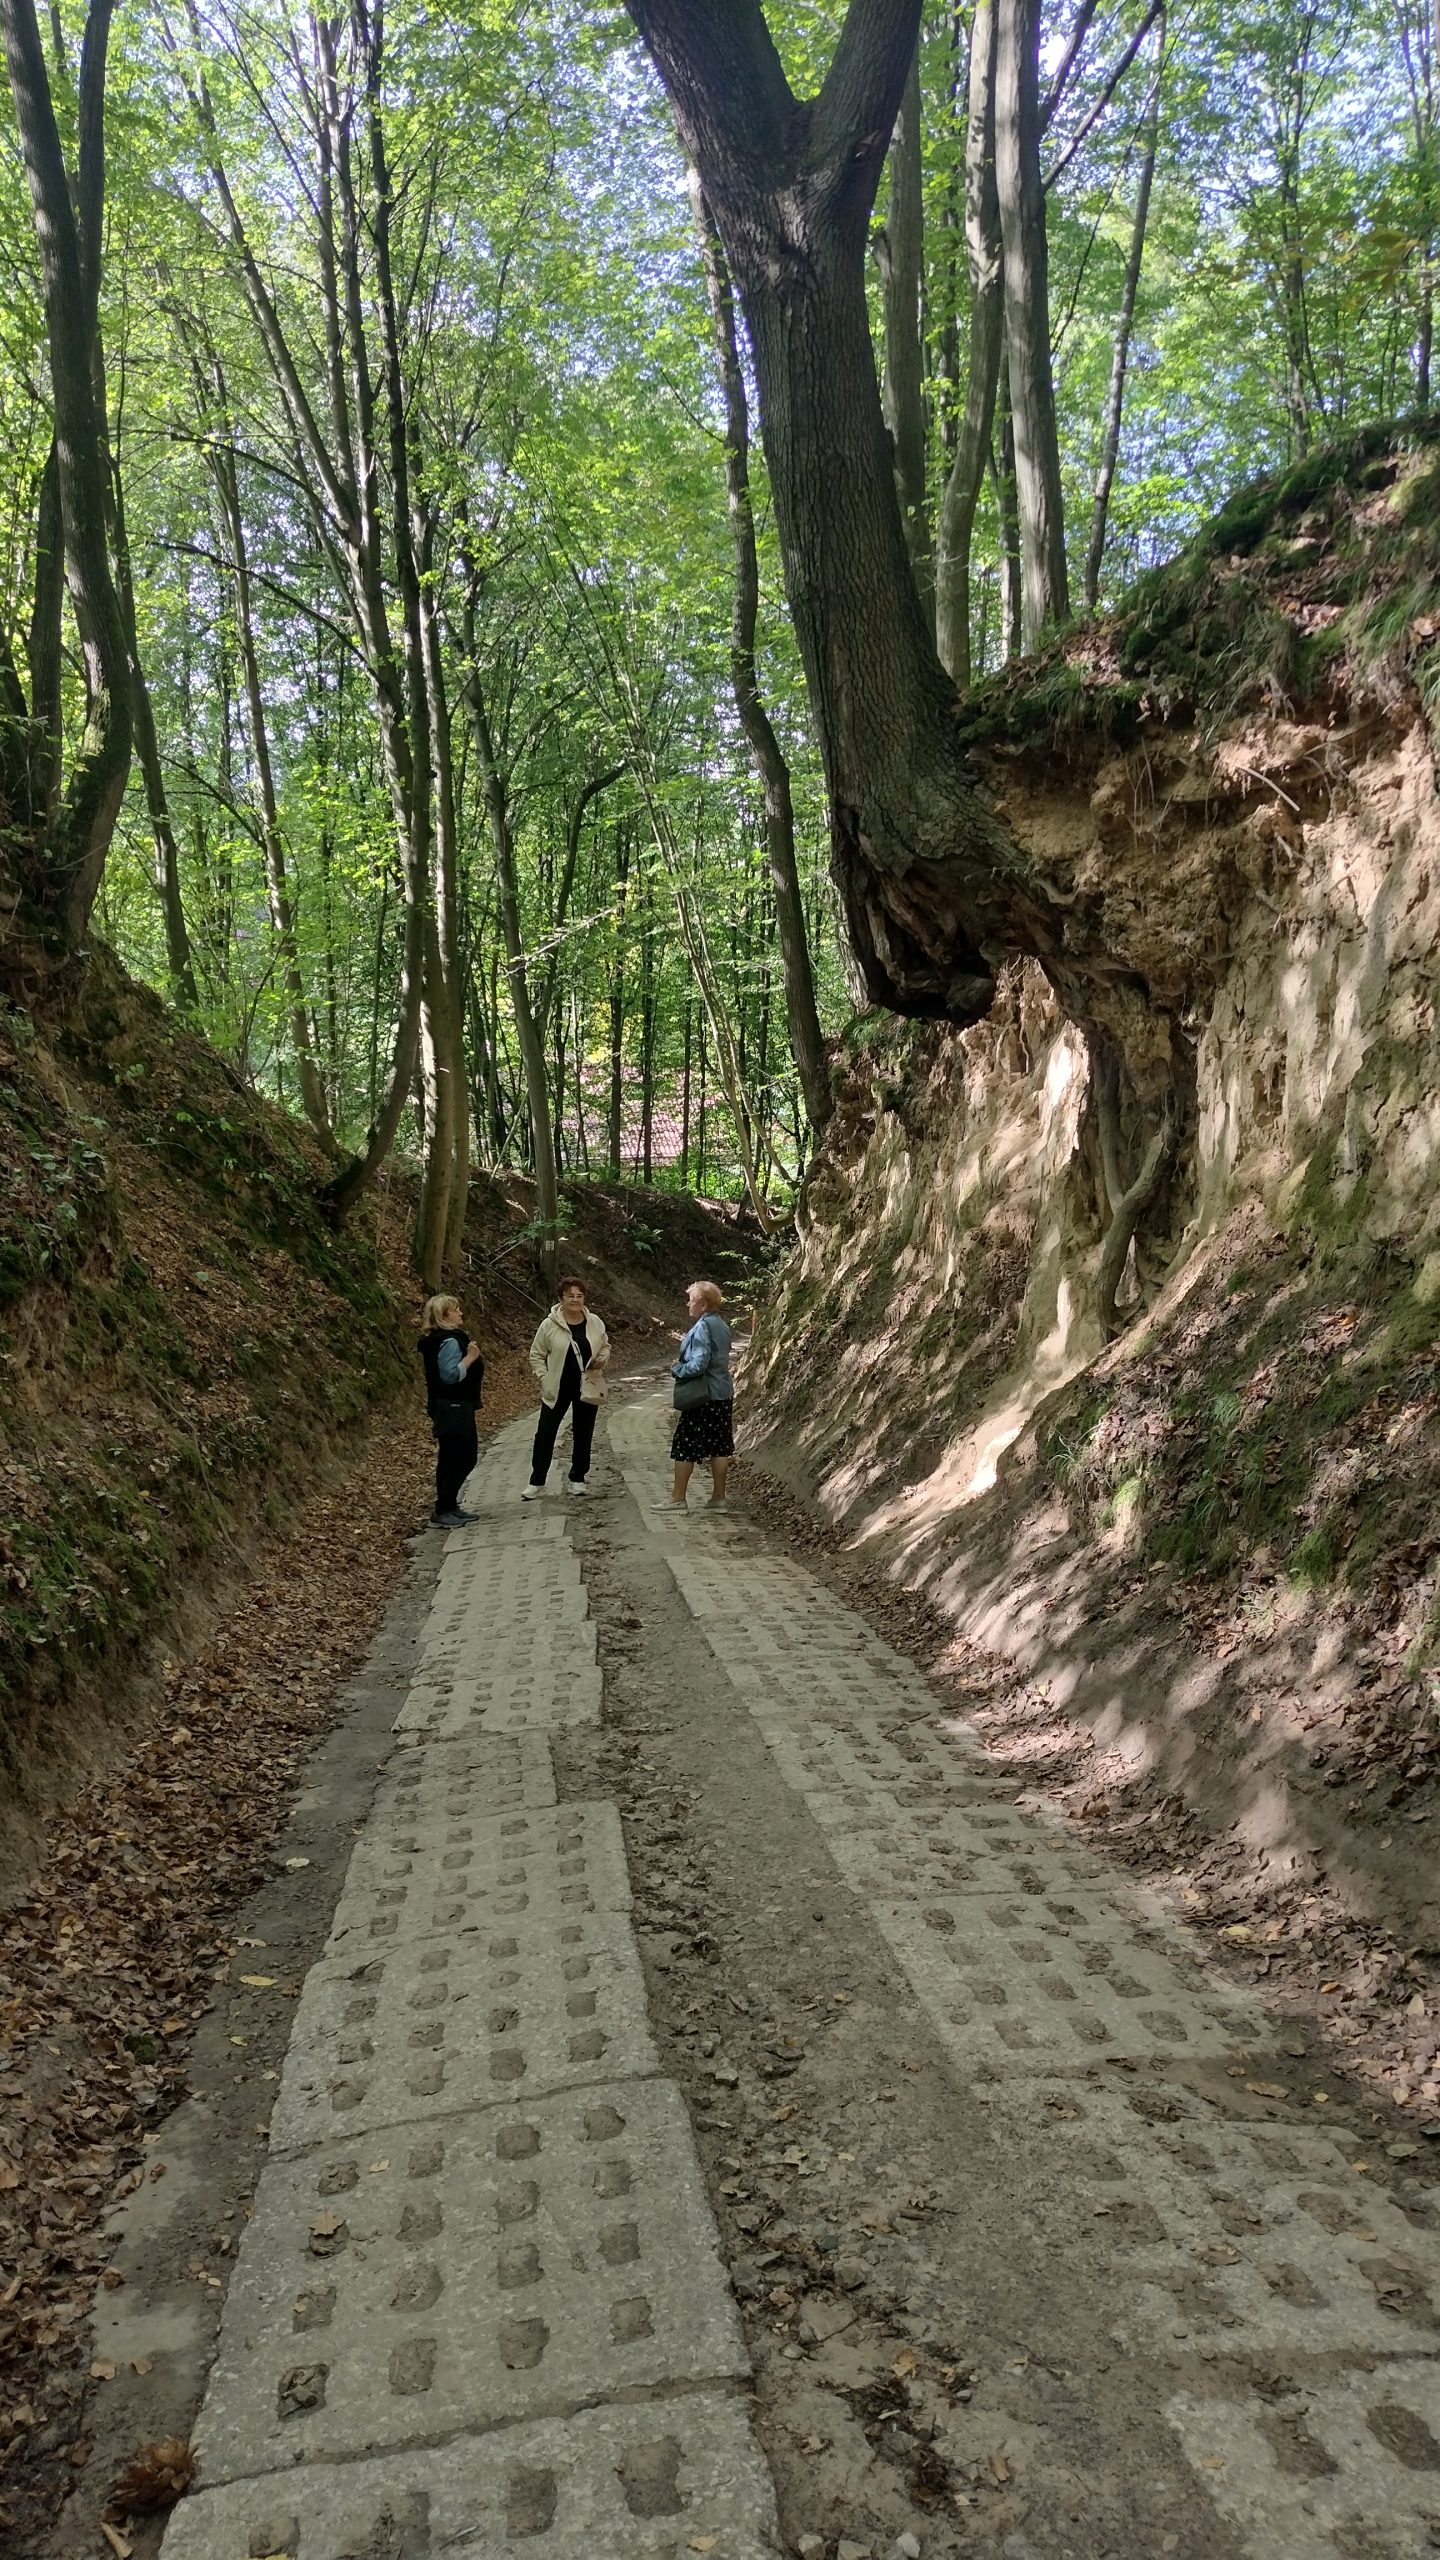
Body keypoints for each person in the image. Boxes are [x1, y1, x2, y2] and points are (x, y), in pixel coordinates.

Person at [526, 1277, 610, 1498]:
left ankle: (578, 1478)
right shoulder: (549, 1324)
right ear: (561, 1298)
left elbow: (605, 1345)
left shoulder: (594, 1322)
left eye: (579, 1296)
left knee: (584, 1432)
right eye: (570, 1296)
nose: (575, 1300)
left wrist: (602, 1358)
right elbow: (536, 1354)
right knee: (545, 1433)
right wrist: (544, 1377)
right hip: (557, 1387)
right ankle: (537, 1481)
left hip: (587, 1385)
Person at [657, 1279, 734, 1513]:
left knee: (685, 1444)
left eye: (691, 1300)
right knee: (719, 1446)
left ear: (703, 1304)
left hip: (702, 1395)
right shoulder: (721, 1324)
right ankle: (718, 1498)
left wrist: (678, 1370)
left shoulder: (703, 1326)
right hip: (722, 1393)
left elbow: (699, 1363)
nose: (687, 1304)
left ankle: (677, 1498)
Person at [418, 1294, 485, 1527]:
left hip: (448, 1406)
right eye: (456, 1310)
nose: (461, 1313)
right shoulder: (449, 1341)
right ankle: (443, 1509)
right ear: (444, 1316)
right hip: (453, 1406)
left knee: (451, 1457)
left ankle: (449, 1506)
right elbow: (450, 1375)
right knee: (463, 1457)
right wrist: (471, 1358)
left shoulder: (437, 1339)